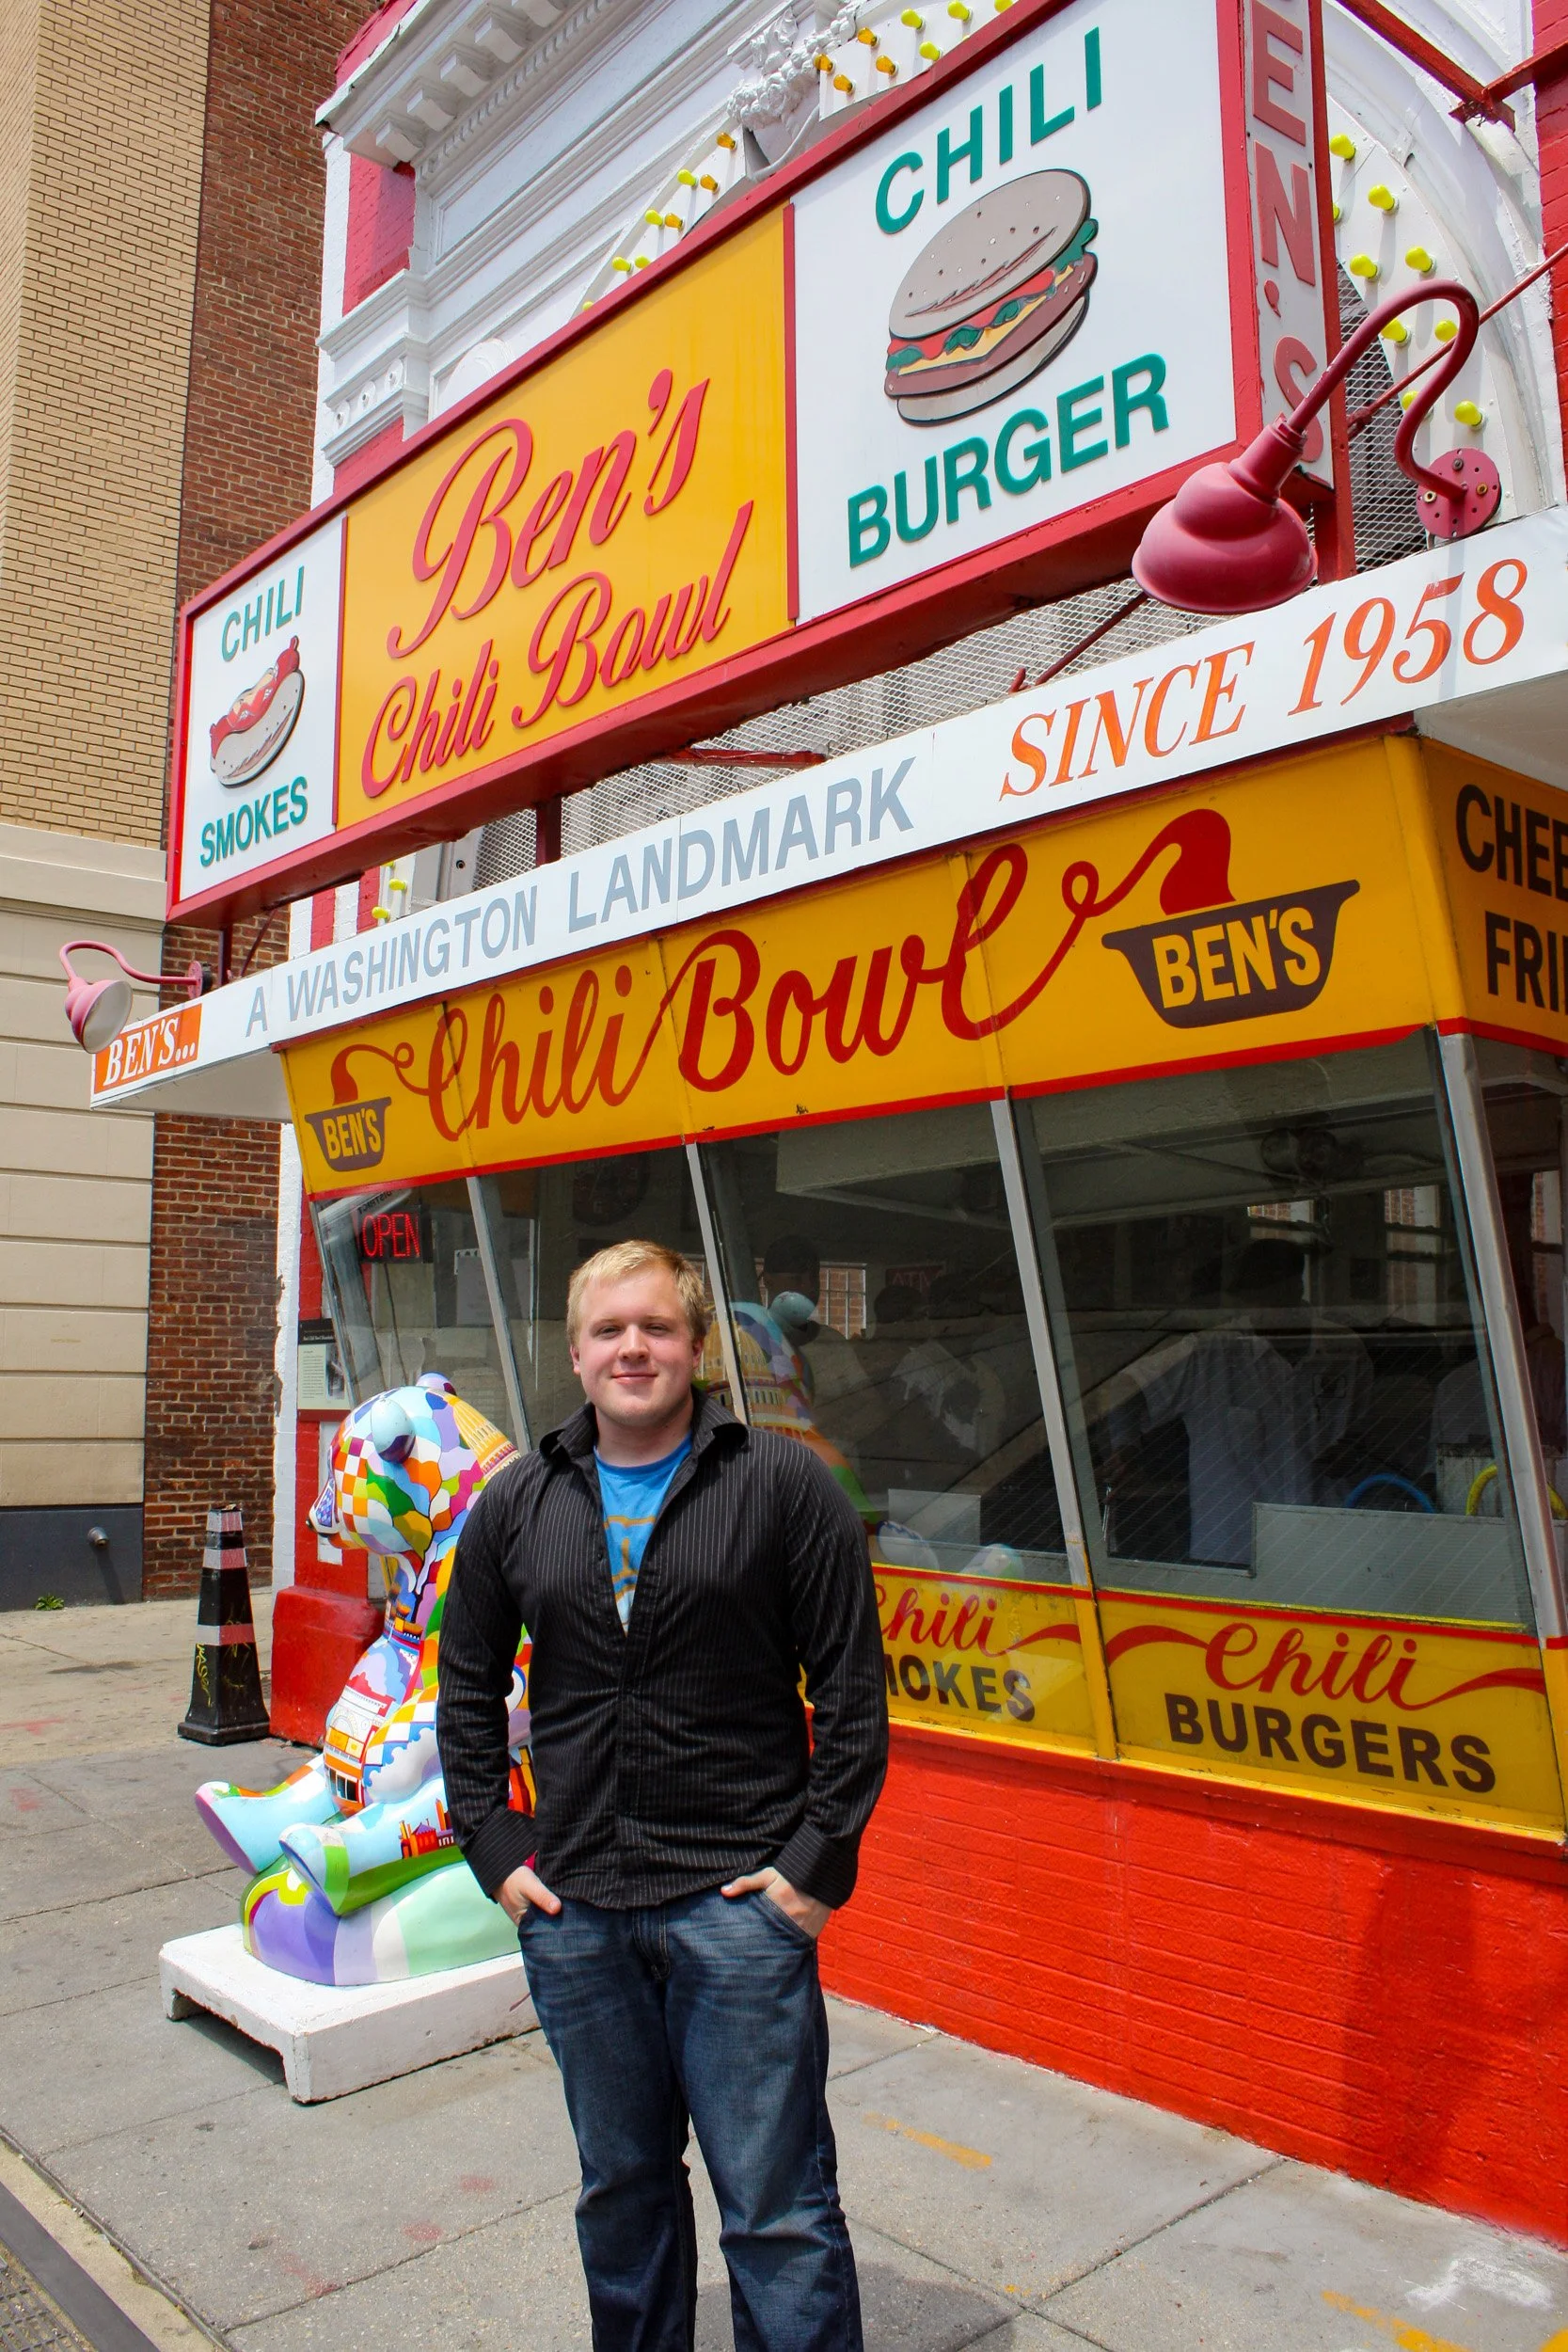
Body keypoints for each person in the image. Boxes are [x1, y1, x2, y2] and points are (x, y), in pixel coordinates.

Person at [436, 1238, 888, 2352]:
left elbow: (851, 1690)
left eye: (655, 1326)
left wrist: (811, 1872)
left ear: (695, 1346)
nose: (631, 1346)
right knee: (621, 2194)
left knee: (777, 2213)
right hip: (577, 1911)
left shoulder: (782, 1485)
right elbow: (463, 1684)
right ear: (577, 1355)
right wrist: (496, 1850)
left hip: (736, 1908)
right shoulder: (516, 1504)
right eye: (607, 1329)